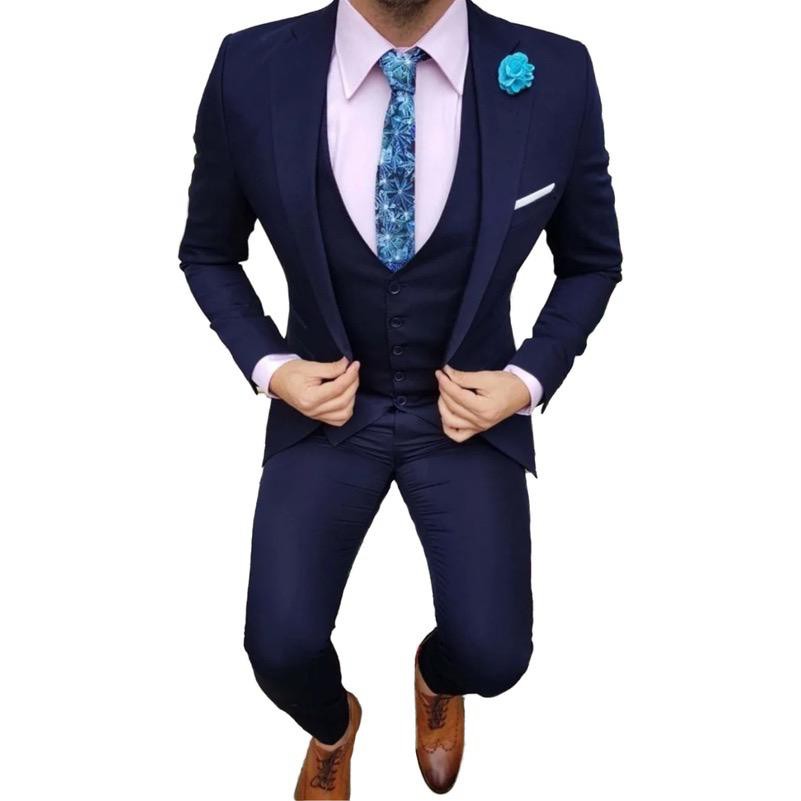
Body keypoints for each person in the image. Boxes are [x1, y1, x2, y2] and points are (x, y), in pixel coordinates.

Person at [178, 0, 622, 796]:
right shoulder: (249, 66)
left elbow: (590, 260)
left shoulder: (557, 72)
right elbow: (208, 251)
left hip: (468, 412)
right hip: (324, 411)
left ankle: (437, 676)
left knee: (495, 655)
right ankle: (332, 725)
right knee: (277, 650)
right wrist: (271, 365)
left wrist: (525, 379)